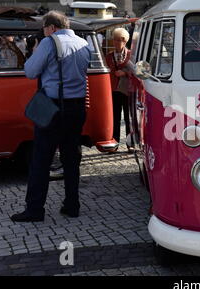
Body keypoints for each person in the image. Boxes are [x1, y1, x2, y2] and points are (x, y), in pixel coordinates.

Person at [11, 11, 91, 222]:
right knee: (71, 158)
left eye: (44, 29)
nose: (44, 33)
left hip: (54, 108)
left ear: (52, 27)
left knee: (41, 159)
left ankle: (35, 210)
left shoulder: (49, 43)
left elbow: (30, 71)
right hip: (77, 107)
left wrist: (36, 49)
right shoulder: (84, 43)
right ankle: (72, 205)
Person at [105, 27, 133, 152]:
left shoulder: (131, 55)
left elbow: (137, 72)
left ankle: (130, 143)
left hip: (127, 90)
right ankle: (114, 143)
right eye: (114, 39)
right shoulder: (109, 56)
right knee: (115, 118)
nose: (116, 42)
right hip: (114, 90)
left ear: (125, 41)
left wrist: (125, 73)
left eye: (119, 40)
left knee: (129, 118)